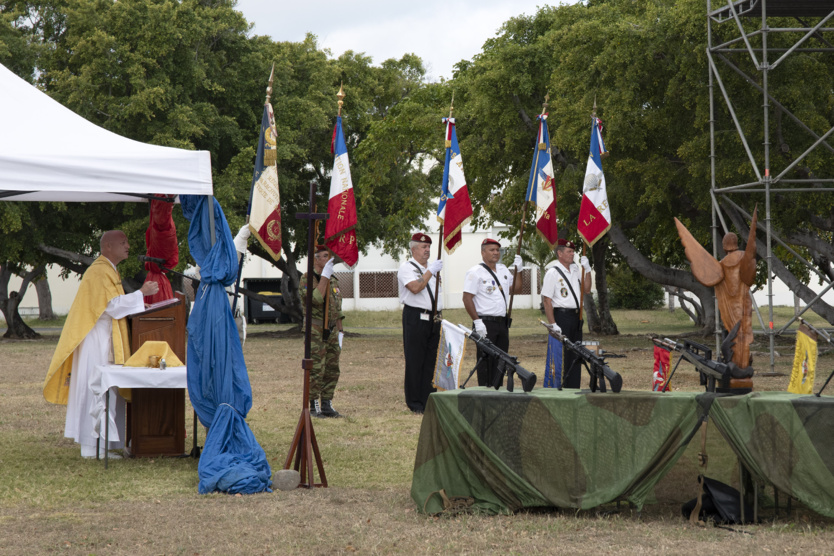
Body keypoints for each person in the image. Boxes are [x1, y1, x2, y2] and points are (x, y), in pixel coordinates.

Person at [43, 230, 159, 458]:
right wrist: (140, 294)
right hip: (97, 341)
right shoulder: (99, 271)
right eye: (123, 242)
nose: (128, 246)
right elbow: (112, 306)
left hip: (106, 337)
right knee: (98, 391)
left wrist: (138, 304)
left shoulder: (109, 269)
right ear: (108, 246)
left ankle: (108, 446)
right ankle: (92, 447)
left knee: (110, 391)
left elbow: (113, 305)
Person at [462, 238, 523, 387]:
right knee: (485, 361)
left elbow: (517, 288)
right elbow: (466, 298)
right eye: (492, 250)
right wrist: (477, 321)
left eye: (497, 250)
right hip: (485, 323)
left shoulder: (503, 270)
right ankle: (485, 391)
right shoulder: (475, 272)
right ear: (483, 252)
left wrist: (519, 270)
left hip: (502, 323)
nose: (496, 253)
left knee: (501, 360)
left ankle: (497, 390)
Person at [397, 232, 443, 414]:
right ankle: (415, 402)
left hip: (434, 317)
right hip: (416, 317)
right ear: (413, 249)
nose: (427, 250)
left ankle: (428, 399)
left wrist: (432, 270)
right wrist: (430, 272)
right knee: (415, 360)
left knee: (431, 360)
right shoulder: (407, 268)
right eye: (423, 247)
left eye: (429, 247)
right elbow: (415, 288)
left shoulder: (432, 268)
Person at [298, 245, 344, 418]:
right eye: (324, 256)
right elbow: (316, 299)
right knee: (317, 368)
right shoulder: (307, 279)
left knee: (332, 368)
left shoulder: (333, 280)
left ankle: (326, 403)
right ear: (316, 259)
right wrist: (324, 276)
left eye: (329, 256)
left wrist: (340, 331)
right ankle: (313, 404)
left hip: (332, 329)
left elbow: (337, 308)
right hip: (315, 329)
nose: (328, 259)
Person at [541, 238, 592, 389]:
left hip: (576, 317)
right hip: (561, 317)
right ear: (560, 253)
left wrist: (587, 270)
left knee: (576, 354)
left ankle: (573, 387)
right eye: (569, 251)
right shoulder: (552, 272)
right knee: (560, 355)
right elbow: (547, 300)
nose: (572, 254)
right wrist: (553, 324)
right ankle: (558, 386)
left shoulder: (576, 269)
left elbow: (587, 289)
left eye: (573, 251)